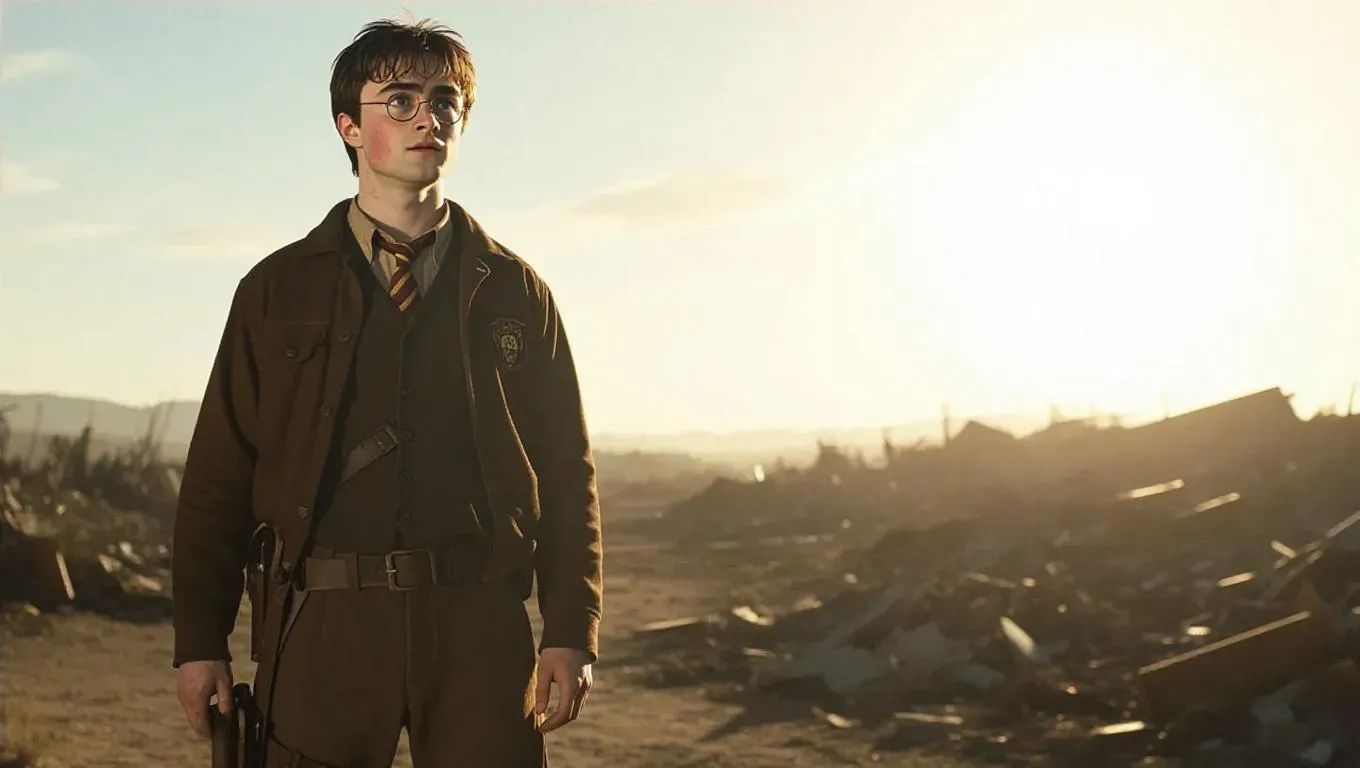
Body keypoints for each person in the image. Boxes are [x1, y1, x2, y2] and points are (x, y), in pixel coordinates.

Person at [170, 17, 603, 767]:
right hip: (323, 618)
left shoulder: (514, 290)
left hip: (478, 620)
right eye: (399, 100)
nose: (427, 118)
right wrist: (199, 641)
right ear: (348, 126)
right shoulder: (276, 290)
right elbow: (219, 474)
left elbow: (567, 472)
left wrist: (571, 629)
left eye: (445, 101)